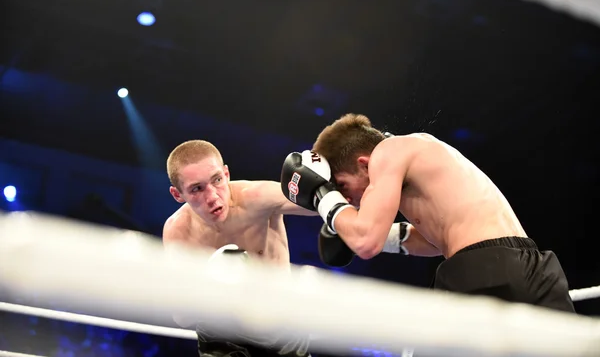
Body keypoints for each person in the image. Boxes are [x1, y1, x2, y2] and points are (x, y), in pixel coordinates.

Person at [280, 113, 575, 313]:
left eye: (343, 186)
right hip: (537, 268)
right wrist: (380, 237)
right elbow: (436, 241)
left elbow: (366, 241)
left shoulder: (388, 152)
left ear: (364, 162)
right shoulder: (422, 154)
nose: (348, 199)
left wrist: (323, 197)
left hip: (484, 270)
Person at [163, 140, 317, 357]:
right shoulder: (178, 231)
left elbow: (320, 206)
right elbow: (181, 317)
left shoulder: (258, 198)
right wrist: (209, 284)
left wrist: (327, 182)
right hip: (221, 331)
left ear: (226, 174)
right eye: (196, 189)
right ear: (178, 195)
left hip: (280, 321)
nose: (212, 196)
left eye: (216, 180)